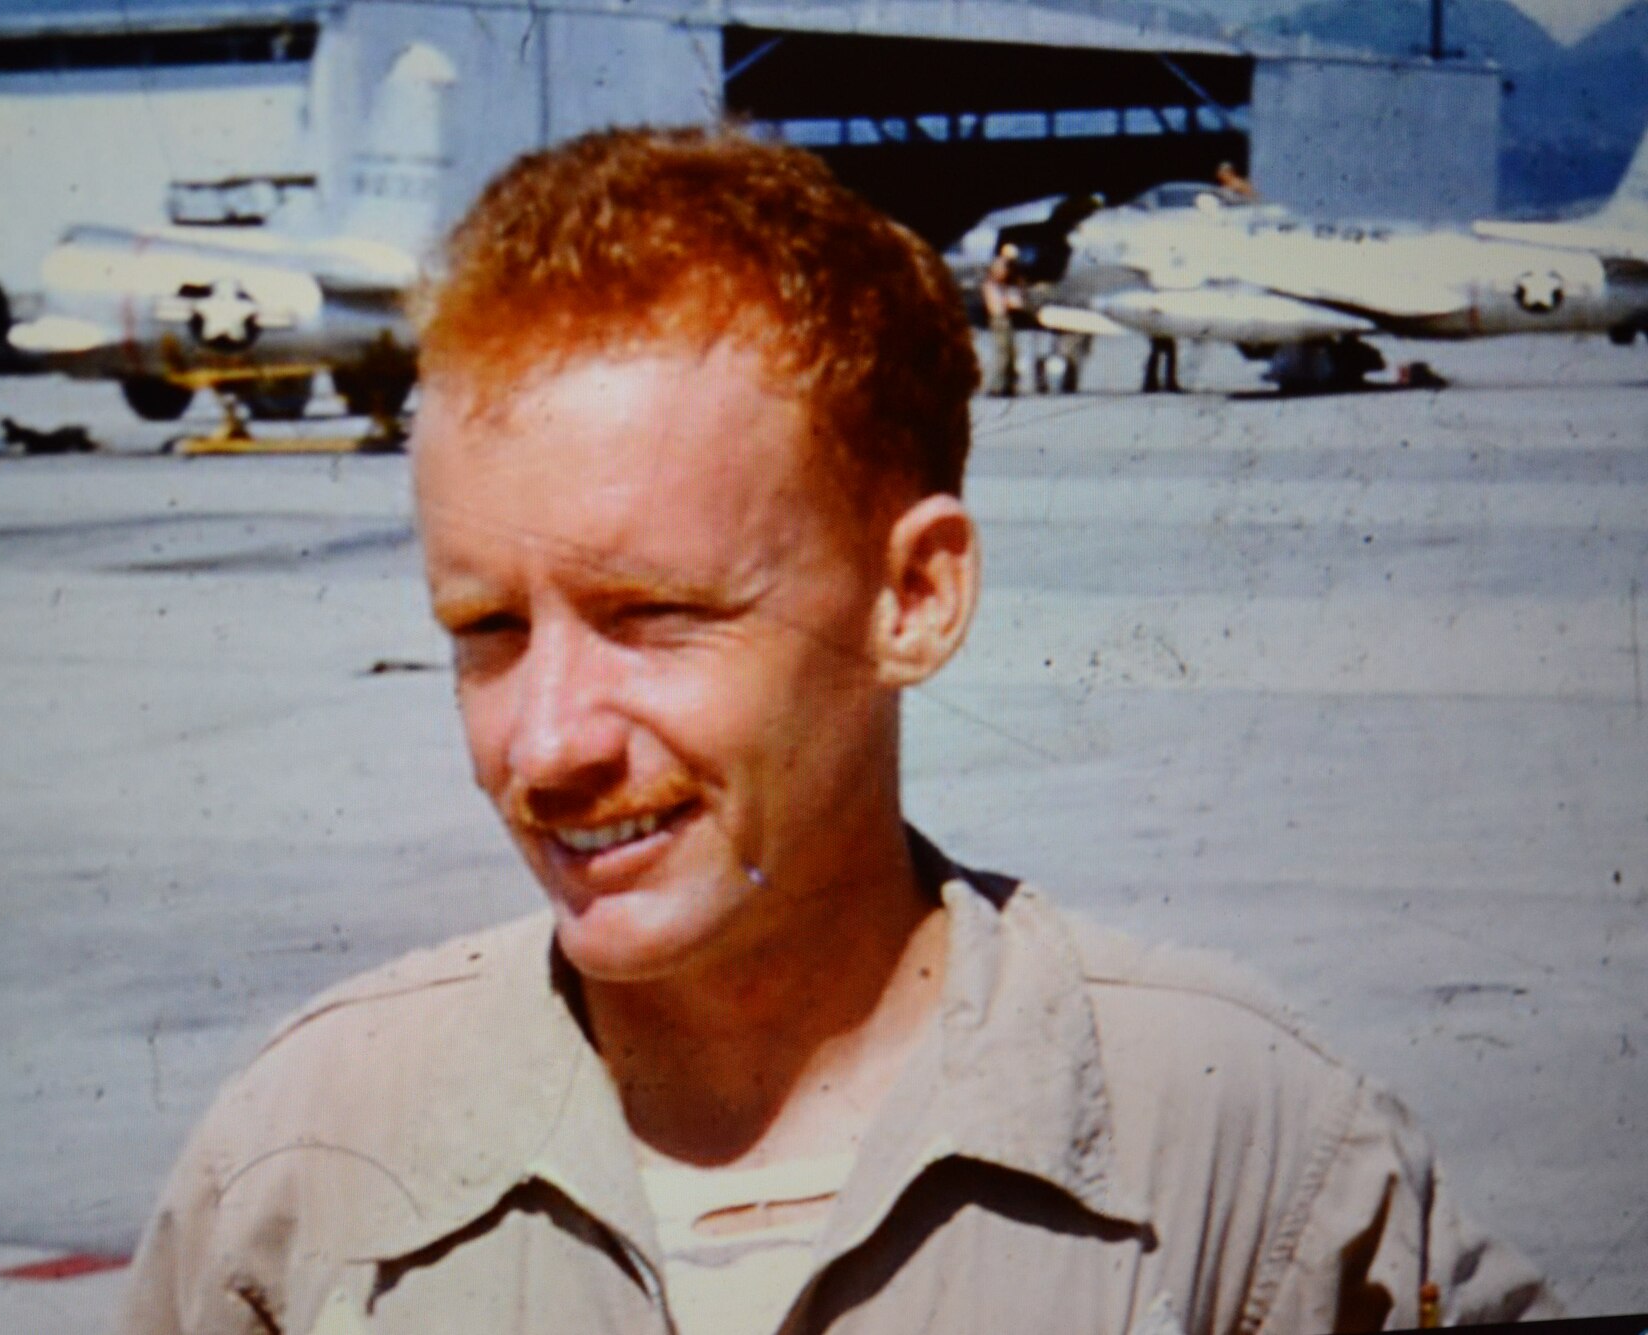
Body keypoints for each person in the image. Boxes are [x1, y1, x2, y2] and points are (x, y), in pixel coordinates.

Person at [118, 127, 1557, 1335]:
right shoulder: (301, 1163)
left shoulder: (1242, 1154)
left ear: (913, 598)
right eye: (485, 628)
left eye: (657, 612)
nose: (543, 744)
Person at [980, 240, 1025, 397]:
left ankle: (1008, 383)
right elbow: (1001, 275)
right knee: (1003, 352)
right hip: (999, 317)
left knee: (1010, 352)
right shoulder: (999, 271)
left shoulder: (1006, 280)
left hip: (1005, 316)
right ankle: (998, 386)